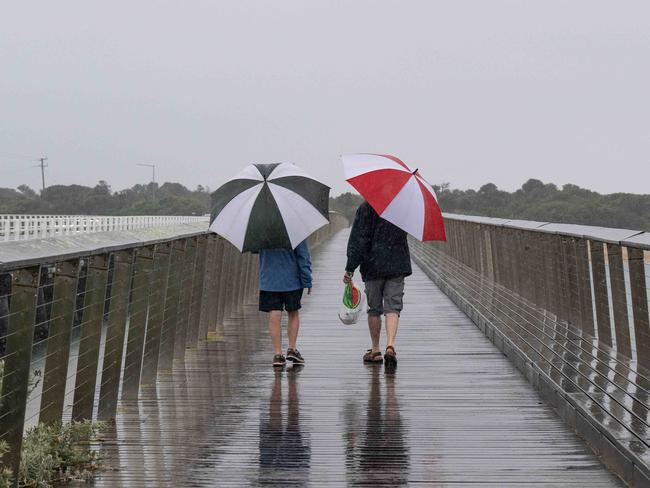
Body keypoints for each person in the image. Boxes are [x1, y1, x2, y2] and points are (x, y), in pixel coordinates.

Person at [343, 201, 411, 370]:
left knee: (374, 309)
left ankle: (375, 350)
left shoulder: (366, 207)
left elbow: (358, 240)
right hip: (397, 263)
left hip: (373, 265)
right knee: (393, 307)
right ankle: (390, 345)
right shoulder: (403, 207)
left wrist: (350, 268)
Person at [259, 240, 312, 367]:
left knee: (274, 314)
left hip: (269, 280)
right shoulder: (296, 229)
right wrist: (307, 280)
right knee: (293, 313)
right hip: (291, 280)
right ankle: (292, 349)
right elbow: (303, 256)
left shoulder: (261, 230)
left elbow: (256, 250)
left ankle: (278, 354)